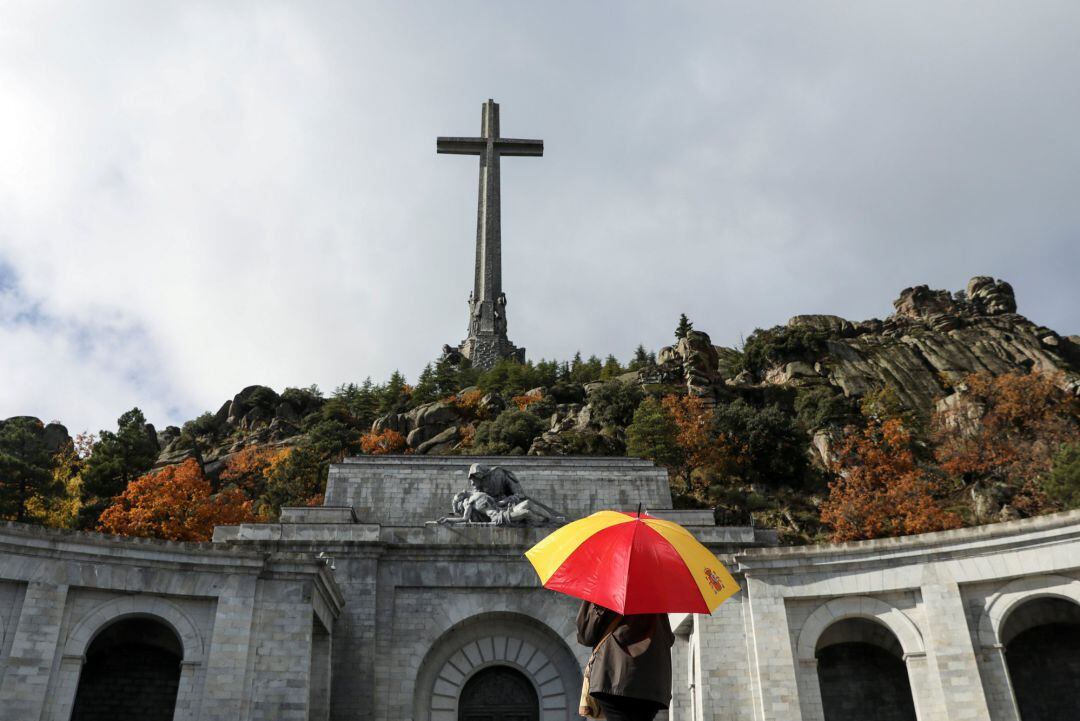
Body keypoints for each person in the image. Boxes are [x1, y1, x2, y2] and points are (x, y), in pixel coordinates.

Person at [576, 600, 674, 721]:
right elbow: (669, 638)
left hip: (614, 675)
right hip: (652, 682)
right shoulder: (656, 590)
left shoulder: (608, 584)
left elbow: (585, 634)